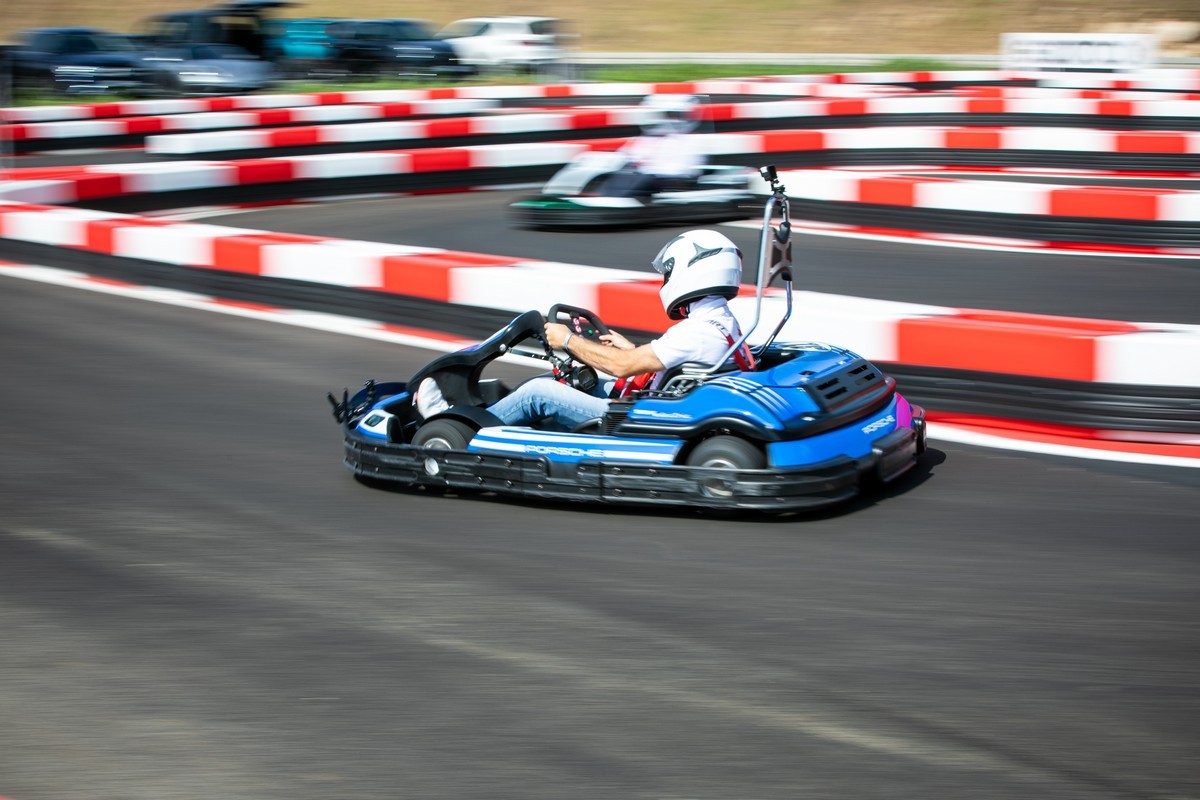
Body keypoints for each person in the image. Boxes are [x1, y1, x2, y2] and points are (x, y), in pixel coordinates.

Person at [480, 229, 754, 431]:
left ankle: (470, 431)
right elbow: (673, 360)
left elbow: (622, 367)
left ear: (692, 271)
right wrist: (633, 351)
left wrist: (569, 340)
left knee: (537, 393)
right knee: (566, 381)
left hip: (637, 418)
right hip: (658, 403)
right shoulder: (722, 322)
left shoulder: (699, 331)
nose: (667, 280)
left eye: (669, 273)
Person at [601, 95, 706, 198]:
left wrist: (645, 169)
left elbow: (682, 172)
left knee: (641, 177)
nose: (663, 120)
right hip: (639, 185)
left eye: (669, 116)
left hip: (667, 187)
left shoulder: (688, 143)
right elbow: (624, 158)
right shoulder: (642, 140)